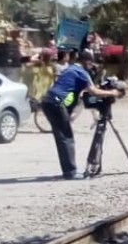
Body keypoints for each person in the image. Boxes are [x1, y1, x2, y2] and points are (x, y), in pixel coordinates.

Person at [41, 49, 121, 180]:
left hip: (48, 102)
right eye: (91, 63)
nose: (91, 66)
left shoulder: (70, 69)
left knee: (61, 137)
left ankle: (68, 170)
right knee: (66, 137)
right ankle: (70, 172)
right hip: (57, 103)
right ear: (87, 62)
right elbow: (94, 91)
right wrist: (112, 93)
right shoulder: (81, 73)